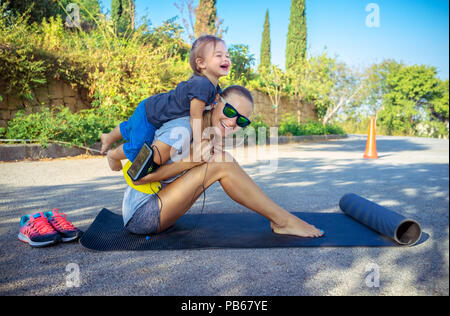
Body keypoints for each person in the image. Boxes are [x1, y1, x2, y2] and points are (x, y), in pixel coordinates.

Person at [122, 85, 325, 239]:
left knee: (221, 159)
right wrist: (189, 163)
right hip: (142, 216)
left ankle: (281, 219)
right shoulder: (183, 127)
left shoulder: (206, 131)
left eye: (242, 121)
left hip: (160, 206)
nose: (232, 122)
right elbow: (136, 177)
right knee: (222, 161)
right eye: (229, 112)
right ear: (216, 101)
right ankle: (283, 221)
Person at [100, 35, 231, 171]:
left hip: (150, 107)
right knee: (138, 147)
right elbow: (195, 116)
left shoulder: (212, 86)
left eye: (227, 55)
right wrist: (199, 143)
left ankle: (108, 137)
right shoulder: (201, 85)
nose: (225, 59)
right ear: (201, 63)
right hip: (152, 115)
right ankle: (113, 155)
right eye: (219, 55)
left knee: (130, 127)